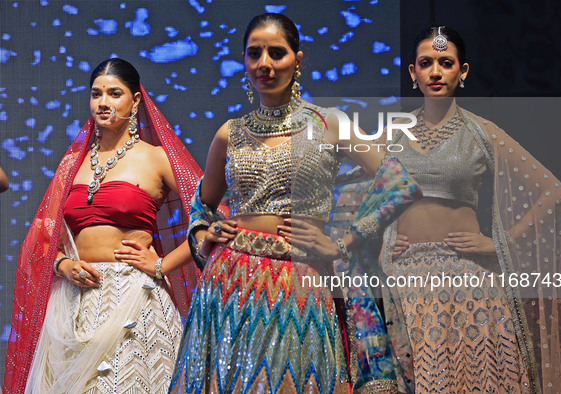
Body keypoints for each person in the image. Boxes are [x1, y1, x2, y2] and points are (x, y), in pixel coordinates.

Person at [170, 13, 421, 393]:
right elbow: (201, 207)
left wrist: (343, 243)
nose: (264, 64)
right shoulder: (230, 133)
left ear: (298, 60)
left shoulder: (328, 124)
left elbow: (399, 184)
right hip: (229, 285)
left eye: (276, 53)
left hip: (300, 279)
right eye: (254, 54)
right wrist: (207, 232)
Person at [379, 26, 561, 392]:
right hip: (408, 280)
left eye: (446, 63)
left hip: (470, 277)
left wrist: (500, 242)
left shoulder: (482, 132)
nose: (435, 72)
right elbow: (364, 200)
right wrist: (384, 240)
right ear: (412, 73)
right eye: (426, 63)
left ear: (463, 72)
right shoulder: (392, 135)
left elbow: (554, 194)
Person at [3, 58, 203, 393]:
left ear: (136, 100)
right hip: (72, 305)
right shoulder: (73, 164)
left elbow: (213, 215)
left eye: (114, 93)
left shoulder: (155, 158)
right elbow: (40, 239)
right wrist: (63, 264)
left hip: (135, 303)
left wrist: (161, 264)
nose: (103, 103)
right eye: (96, 94)